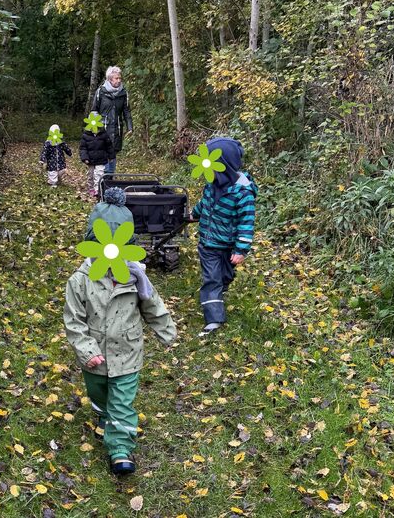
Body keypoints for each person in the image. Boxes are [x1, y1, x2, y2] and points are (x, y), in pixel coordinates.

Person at [63, 227, 176, 476]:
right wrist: (87, 350)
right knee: (99, 394)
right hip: (95, 356)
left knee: (122, 402)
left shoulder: (136, 278)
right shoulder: (80, 281)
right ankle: (103, 415)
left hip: (127, 353)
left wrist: (166, 331)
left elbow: (152, 305)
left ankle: (120, 450)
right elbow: (74, 321)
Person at [190, 138, 257, 337]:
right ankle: (214, 319)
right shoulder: (211, 184)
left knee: (225, 276)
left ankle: (217, 292)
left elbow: (246, 223)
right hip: (208, 243)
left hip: (228, 245)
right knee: (212, 279)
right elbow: (205, 203)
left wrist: (241, 249)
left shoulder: (243, 193)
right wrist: (195, 213)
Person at [91, 66, 132, 174]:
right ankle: (102, 178)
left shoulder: (123, 93)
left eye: (120, 78)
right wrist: (94, 127)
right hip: (102, 128)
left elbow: (126, 111)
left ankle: (110, 178)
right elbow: (94, 110)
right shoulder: (101, 92)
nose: (119, 80)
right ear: (110, 79)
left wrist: (130, 127)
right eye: (116, 78)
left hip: (117, 129)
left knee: (113, 154)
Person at [79, 121, 115, 198]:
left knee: (99, 174)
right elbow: (83, 148)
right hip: (90, 160)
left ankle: (97, 189)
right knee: (91, 175)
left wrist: (111, 156)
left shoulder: (104, 135)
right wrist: (85, 158)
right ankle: (91, 188)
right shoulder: (85, 135)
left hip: (101, 158)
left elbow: (109, 146)